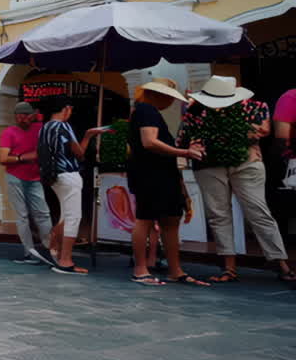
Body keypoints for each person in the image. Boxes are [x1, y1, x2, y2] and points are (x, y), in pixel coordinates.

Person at [178, 76, 292, 283]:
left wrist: (223, 132)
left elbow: (263, 131)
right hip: (209, 163)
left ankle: (281, 263)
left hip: (245, 162)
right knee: (218, 214)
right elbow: (184, 137)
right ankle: (229, 268)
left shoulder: (255, 106)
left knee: (258, 211)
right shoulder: (194, 109)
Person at [126, 80, 207, 286]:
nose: (171, 101)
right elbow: (149, 141)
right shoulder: (146, 110)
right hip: (150, 174)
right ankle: (141, 269)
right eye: (169, 96)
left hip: (163, 173)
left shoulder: (146, 111)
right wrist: (185, 152)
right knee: (145, 218)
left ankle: (175, 270)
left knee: (170, 220)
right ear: (158, 95)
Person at [37, 95, 107, 275]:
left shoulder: (44, 128)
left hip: (53, 177)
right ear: (66, 109)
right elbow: (80, 153)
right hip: (69, 175)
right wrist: (89, 135)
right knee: (72, 217)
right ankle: (65, 260)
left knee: (64, 215)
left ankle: (56, 247)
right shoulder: (63, 126)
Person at [0, 102, 52, 264]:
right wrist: (22, 157)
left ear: (33, 115)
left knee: (43, 214)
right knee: (22, 216)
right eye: (18, 116)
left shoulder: (40, 129)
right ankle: (29, 253)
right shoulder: (9, 132)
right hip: (15, 177)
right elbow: (2, 159)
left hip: (35, 178)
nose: (21, 119)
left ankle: (50, 249)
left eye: (25, 115)